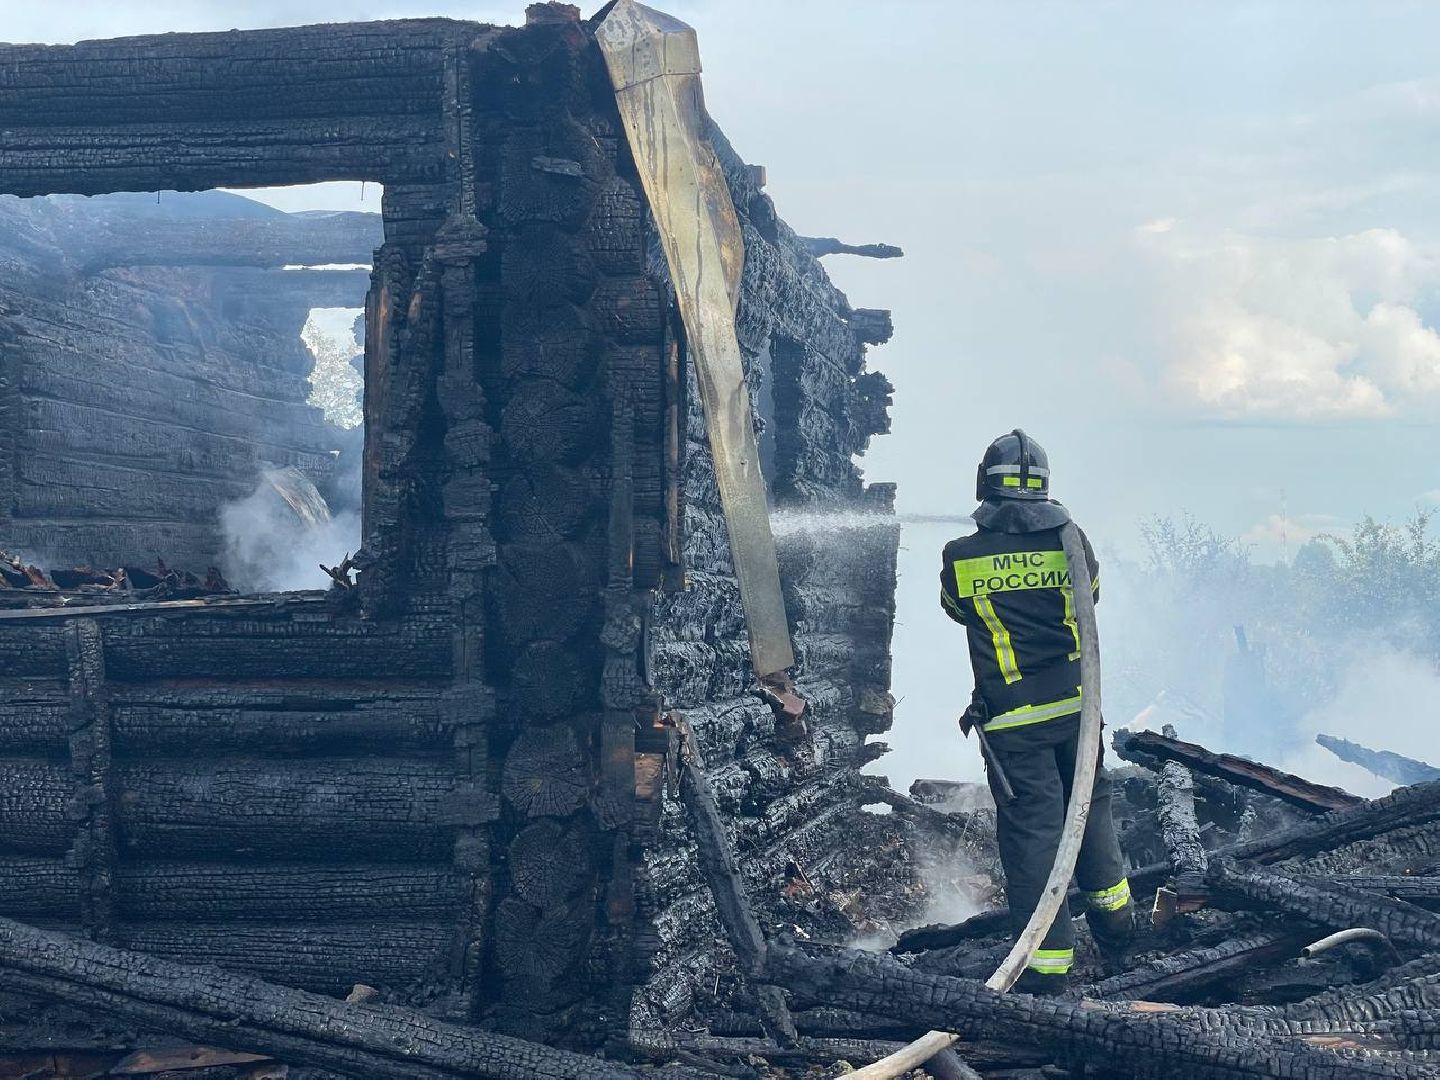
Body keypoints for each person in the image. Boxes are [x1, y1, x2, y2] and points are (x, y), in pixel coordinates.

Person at [939, 429, 1134, 995]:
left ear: (986, 485)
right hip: (1080, 710)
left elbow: (956, 610)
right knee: (1091, 818)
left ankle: (1047, 970)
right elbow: (1088, 597)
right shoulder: (1074, 542)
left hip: (1014, 723)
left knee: (1034, 839)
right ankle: (1120, 933)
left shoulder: (961, 555)